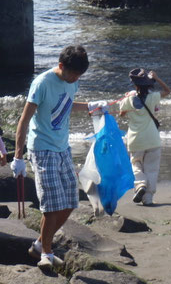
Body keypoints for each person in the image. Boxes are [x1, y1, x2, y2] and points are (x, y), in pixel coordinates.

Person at [11, 45, 99, 271]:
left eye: (80, 75)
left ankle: (40, 244)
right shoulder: (42, 83)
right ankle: (47, 254)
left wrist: (91, 106)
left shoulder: (73, 81)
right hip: (42, 149)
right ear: (61, 66)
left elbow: (65, 107)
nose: (76, 79)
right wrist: (19, 157)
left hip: (63, 148)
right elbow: (24, 119)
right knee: (50, 206)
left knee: (70, 201)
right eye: (74, 74)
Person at [119, 69, 170, 206]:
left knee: (136, 165)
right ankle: (148, 198)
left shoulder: (128, 99)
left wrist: (127, 97)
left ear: (135, 85)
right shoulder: (153, 97)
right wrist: (158, 78)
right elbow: (167, 91)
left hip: (135, 139)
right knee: (151, 169)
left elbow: (121, 114)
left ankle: (140, 184)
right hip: (152, 139)